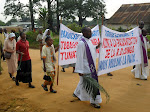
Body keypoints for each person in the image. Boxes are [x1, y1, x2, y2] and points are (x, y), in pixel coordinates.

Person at [73, 27, 102, 108]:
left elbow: (91, 50)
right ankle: (94, 101)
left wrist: (96, 47)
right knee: (92, 85)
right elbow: (79, 56)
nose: (91, 33)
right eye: (89, 32)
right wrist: (79, 70)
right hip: (85, 67)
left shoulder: (89, 41)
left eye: (91, 31)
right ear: (84, 33)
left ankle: (76, 93)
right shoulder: (81, 43)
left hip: (91, 67)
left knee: (83, 82)